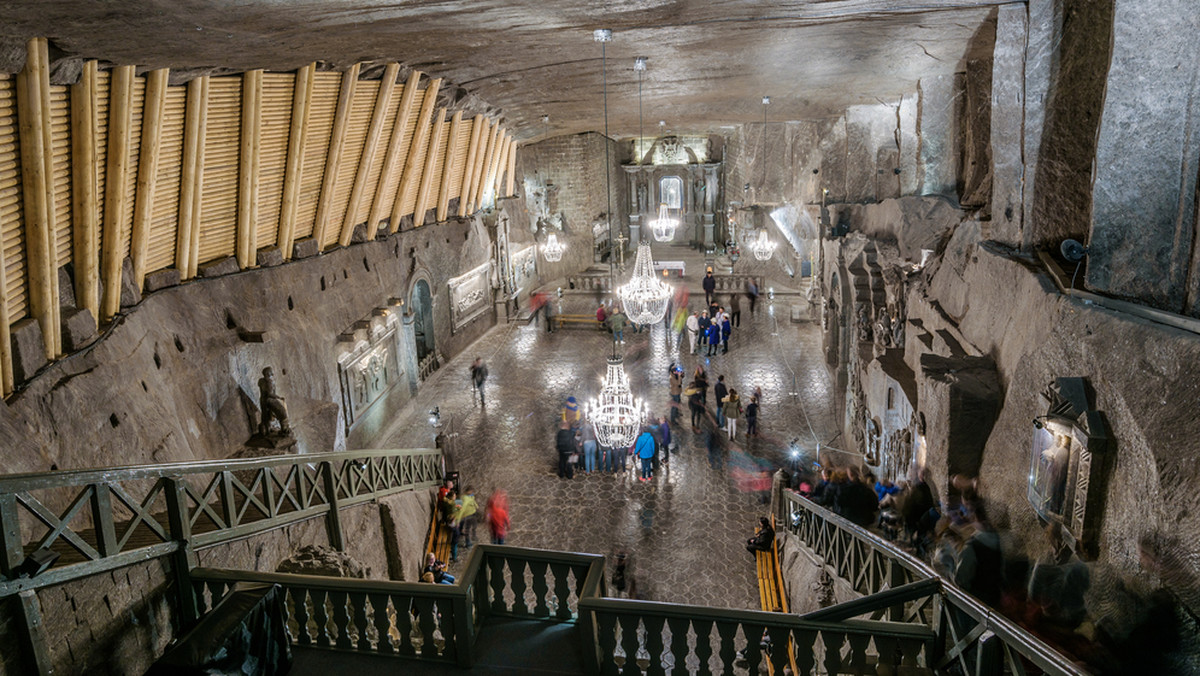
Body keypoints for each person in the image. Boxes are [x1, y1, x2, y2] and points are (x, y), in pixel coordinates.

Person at [450, 487, 478, 561]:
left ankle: (464, 540)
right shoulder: (461, 500)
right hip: (463, 517)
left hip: (465, 516)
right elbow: (459, 511)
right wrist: (458, 520)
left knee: (465, 529)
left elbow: (472, 501)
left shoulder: (463, 499)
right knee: (466, 530)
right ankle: (467, 544)